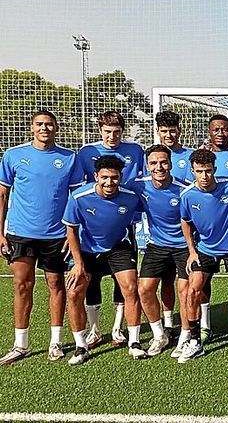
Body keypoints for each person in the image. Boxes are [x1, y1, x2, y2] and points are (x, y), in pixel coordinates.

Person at [0, 110, 82, 364]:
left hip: (56, 236)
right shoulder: (14, 155)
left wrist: (72, 235)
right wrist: (0, 234)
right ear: (31, 127)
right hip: (20, 234)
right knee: (22, 286)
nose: (44, 128)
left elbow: (75, 200)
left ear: (57, 128)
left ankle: (55, 342)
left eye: (49, 124)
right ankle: (20, 344)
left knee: (56, 286)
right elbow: (2, 195)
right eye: (39, 124)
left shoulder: (69, 158)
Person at [62, 155, 146, 365]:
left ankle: (134, 342)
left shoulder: (131, 197)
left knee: (131, 288)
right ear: (95, 176)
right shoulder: (80, 196)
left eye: (115, 178)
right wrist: (78, 263)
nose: (110, 182)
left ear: (121, 177)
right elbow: (71, 229)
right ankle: (81, 346)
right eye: (105, 177)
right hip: (87, 250)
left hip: (118, 247)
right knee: (73, 292)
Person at [77, 111, 145, 350]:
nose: (112, 136)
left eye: (117, 131)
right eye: (107, 131)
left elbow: (142, 181)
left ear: (122, 131)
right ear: (100, 131)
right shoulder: (87, 152)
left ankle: (117, 328)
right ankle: (94, 330)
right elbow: (78, 186)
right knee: (91, 280)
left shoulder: (135, 151)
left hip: (124, 223)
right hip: (93, 225)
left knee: (125, 280)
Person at [179, 149, 228, 363]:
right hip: (205, 248)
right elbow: (185, 221)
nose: (204, 176)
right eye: (200, 171)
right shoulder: (187, 195)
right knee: (192, 291)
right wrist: (192, 252)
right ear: (192, 171)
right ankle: (195, 341)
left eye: (209, 171)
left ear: (215, 169)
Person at [130, 145, 189, 357]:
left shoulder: (184, 189)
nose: (159, 167)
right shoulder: (138, 186)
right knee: (144, 289)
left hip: (183, 246)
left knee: (185, 292)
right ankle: (159, 334)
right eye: (154, 163)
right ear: (147, 166)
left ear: (171, 164)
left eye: (163, 162)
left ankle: (185, 337)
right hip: (157, 245)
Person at [153, 111, 192, 334]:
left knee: (187, 284)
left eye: (172, 130)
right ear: (158, 131)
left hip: (187, 231)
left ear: (179, 130)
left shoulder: (191, 155)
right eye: (164, 131)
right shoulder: (151, 155)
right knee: (164, 281)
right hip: (161, 235)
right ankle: (168, 323)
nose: (169, 134)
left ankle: (196, 325)